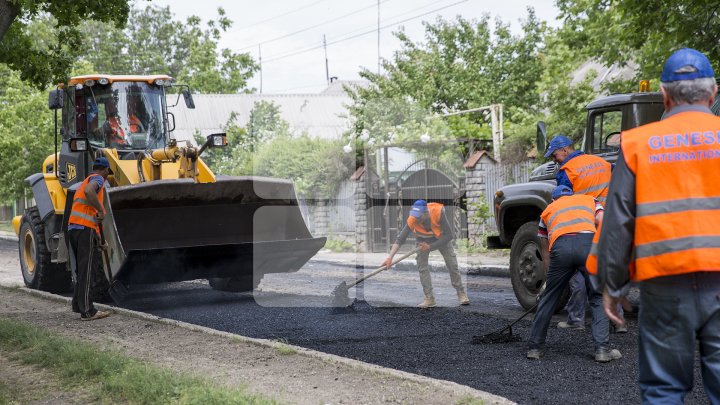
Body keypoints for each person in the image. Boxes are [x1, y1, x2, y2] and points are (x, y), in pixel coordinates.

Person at [597, 48, 720, 402]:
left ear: (664, 96)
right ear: (712, 94)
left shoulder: (638, 144)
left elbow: (618, 221)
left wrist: (614, 287)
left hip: (664, 286)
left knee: (663, 388)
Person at [526, 185, 620, 362]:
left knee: (549, 298)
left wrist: (550, 279)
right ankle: (602, 350)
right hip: (589, 245)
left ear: (554, 199)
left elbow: (545, 251)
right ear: (572, 195)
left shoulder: (548, 211)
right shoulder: (589, 200)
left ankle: (535, 348)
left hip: (560, 248)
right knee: (598, 296)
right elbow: (602, 220)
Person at [543, 135, 626, 332]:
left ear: (564, 150)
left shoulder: (567, 171)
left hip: (584, 224)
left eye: (554, 155)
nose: (554, 160)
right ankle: (618, 320)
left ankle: (576, 319)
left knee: (579, 271)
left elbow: (564, 200)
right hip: (607, 221)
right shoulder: (602, 163)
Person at [383, 200, 469, 308]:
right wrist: (390, 258)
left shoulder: (438, 212)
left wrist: (431, 247)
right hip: (422, 242)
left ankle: (461, 292)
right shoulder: (412, 219)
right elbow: (400, 239)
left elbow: (449, 235)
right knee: (422, 267)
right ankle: (429, 298)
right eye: (415, 216)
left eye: (419, 216)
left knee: (452, 265)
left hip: (442, 239)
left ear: (426, 213)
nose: (417, 219)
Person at [68, 157, 113, 321]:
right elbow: (90, 192)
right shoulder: (98, 179)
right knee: (87, 271)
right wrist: (101, 209)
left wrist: (100, 241)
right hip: (84, 230)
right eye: (108, 172)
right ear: (106, 170)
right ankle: (87, 311)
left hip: (75, 228)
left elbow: (92, 218)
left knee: (82, 270)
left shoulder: (83, 182)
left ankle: (77, 305)